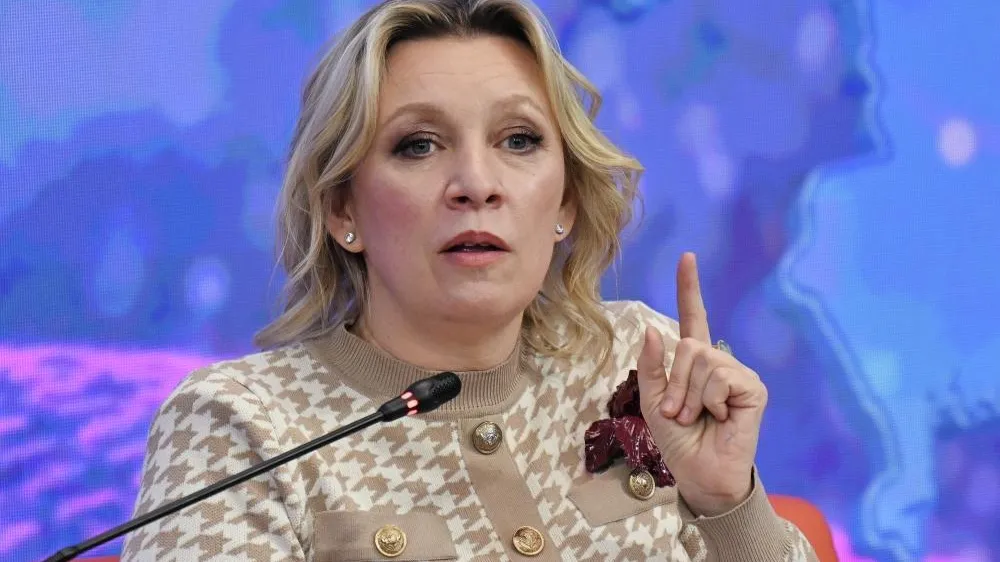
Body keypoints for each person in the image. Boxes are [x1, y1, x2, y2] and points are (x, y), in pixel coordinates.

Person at [122, 0, 819, 559]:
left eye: (519, 140)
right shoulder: (239, 425)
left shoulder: (642, 359)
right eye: (418, 145)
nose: (477, 184)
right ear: (341, 209)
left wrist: (728, 503)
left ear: (565, 201)